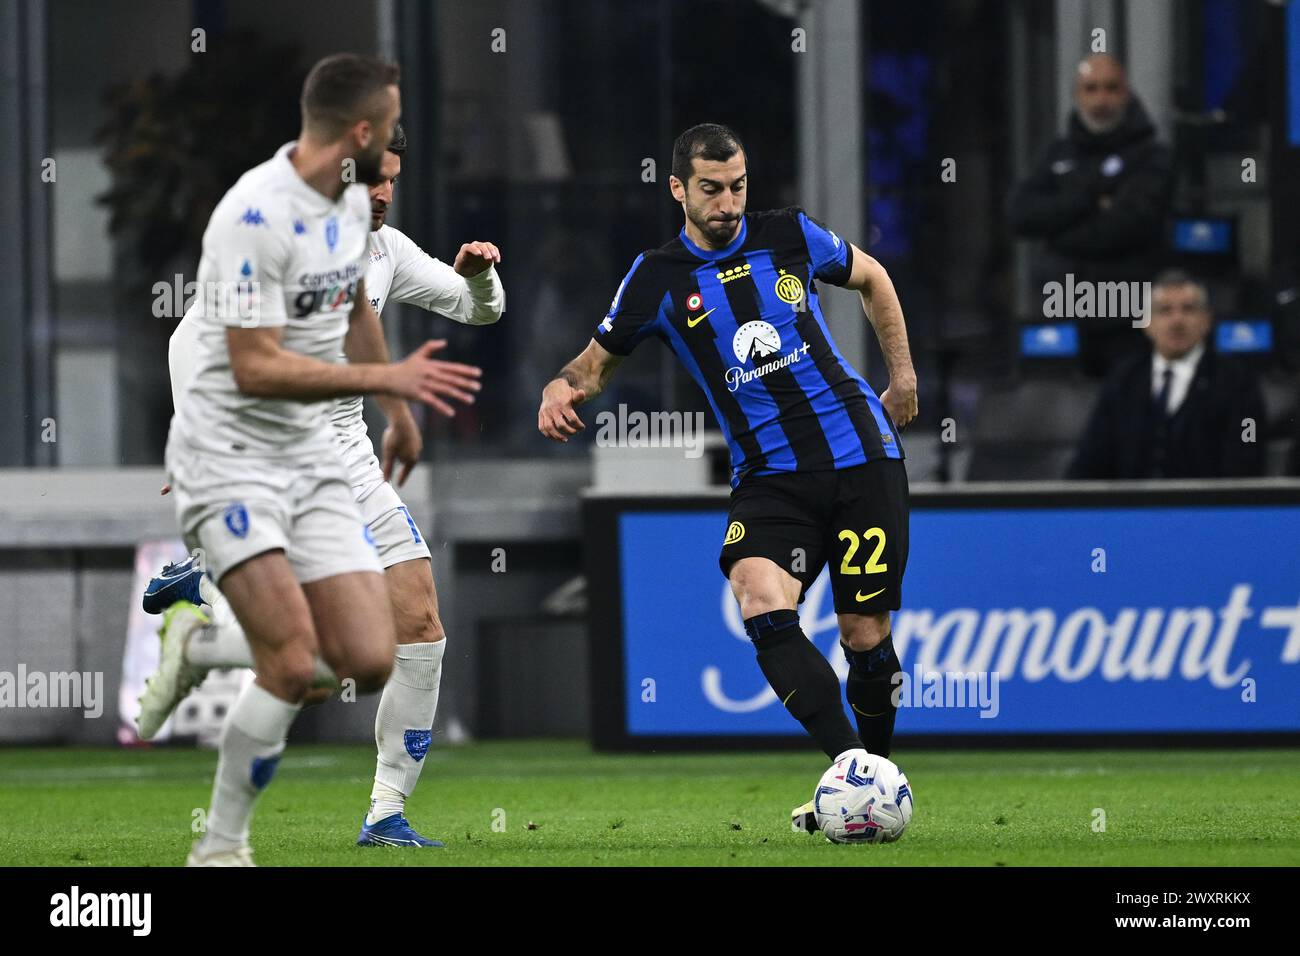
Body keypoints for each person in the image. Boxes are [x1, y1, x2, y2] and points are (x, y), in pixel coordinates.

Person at [149, 53, 486, 866]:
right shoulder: (252, 218)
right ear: (360, 135)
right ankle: (221, 848)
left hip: (317, 454)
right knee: (293, 661)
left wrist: (398, 412)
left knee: (372, 657)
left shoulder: (350, 221)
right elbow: (252, 363)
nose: (394, 169)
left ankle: (202, 633)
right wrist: (387, 380)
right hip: (234, 452)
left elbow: (359, 309)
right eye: (391, 130)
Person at [537, 124, 918, 835]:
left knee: (865, 634)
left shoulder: (790, 234)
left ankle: (875, 776)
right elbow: (595, 362)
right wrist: (561, 388)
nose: (728, 203)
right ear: (678, 188)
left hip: (860, 455)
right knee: (757, 593)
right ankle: (856, 774)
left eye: (737, 186)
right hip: (771, 478)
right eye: (711, 189)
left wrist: (902, 376)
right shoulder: (656, 277)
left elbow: (874, 277)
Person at [1008, 53, 1173, 375]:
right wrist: (1088, 199)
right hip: (1062, 313)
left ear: (1126, 94)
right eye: (1091, 88)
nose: (1101, 99)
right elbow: (1020, 214)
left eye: (1111, 88)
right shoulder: (1057, 153)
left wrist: (1057, 232)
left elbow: (1126, 227)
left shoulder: (1152, 156)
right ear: (1076, 95)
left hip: (1127, 318)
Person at [1067, 269, 1265, 479]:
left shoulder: (1238, 381)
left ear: (1206, 321)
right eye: (1164, 310)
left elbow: (1248, 445)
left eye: (1188, 310)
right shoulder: (1124, 380)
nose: (1177, 321)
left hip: (1208, 508)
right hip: (1133, 508)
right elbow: (1092, 455)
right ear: (1146, 323)